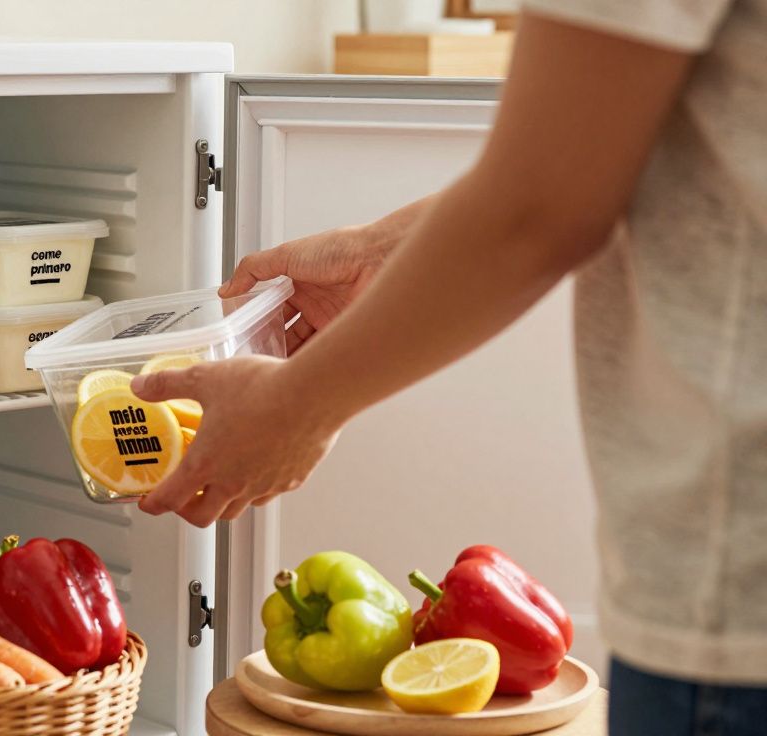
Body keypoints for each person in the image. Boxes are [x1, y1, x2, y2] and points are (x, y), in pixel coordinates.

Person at [129, 2, 766, 734]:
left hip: (736, 598)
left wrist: (301, 405)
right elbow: (599, 153)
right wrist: (376, 249)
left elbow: (545, 200)